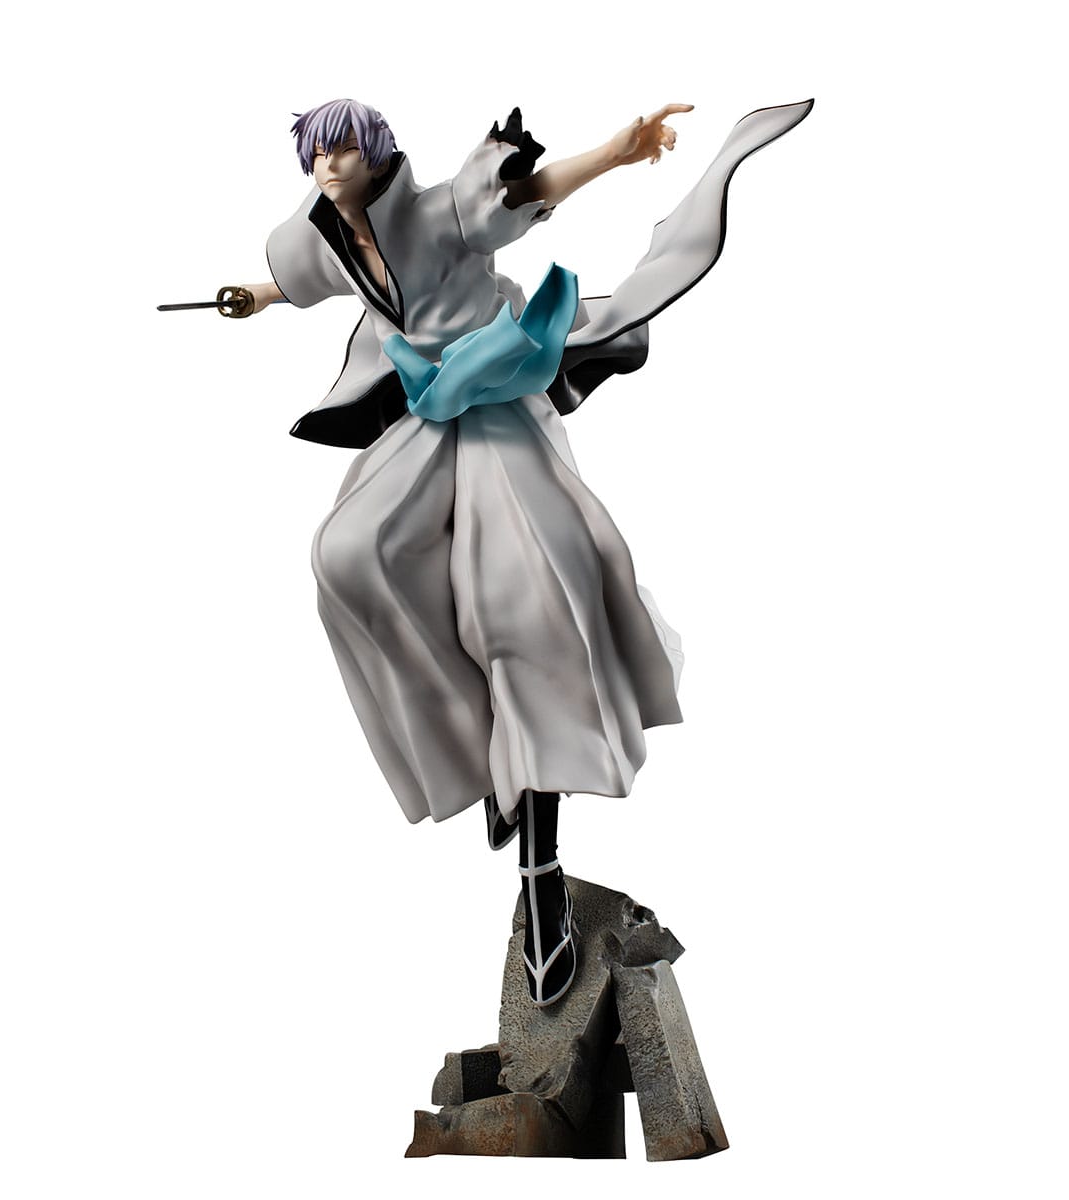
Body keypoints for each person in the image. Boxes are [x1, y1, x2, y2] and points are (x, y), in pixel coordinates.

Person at [222, 96, 813, 1006]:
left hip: (498, 411)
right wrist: (251, 298)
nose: (326, 169)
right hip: (424, 418)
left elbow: (530, 190)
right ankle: (478, 750)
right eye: (315, 157)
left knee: (524, 605)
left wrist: (616, 152)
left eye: (341, 154)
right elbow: (295, 282)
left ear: (377, 156)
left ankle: (542, 873)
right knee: (347, 554)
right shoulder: (322, 234)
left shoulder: (437, 212)